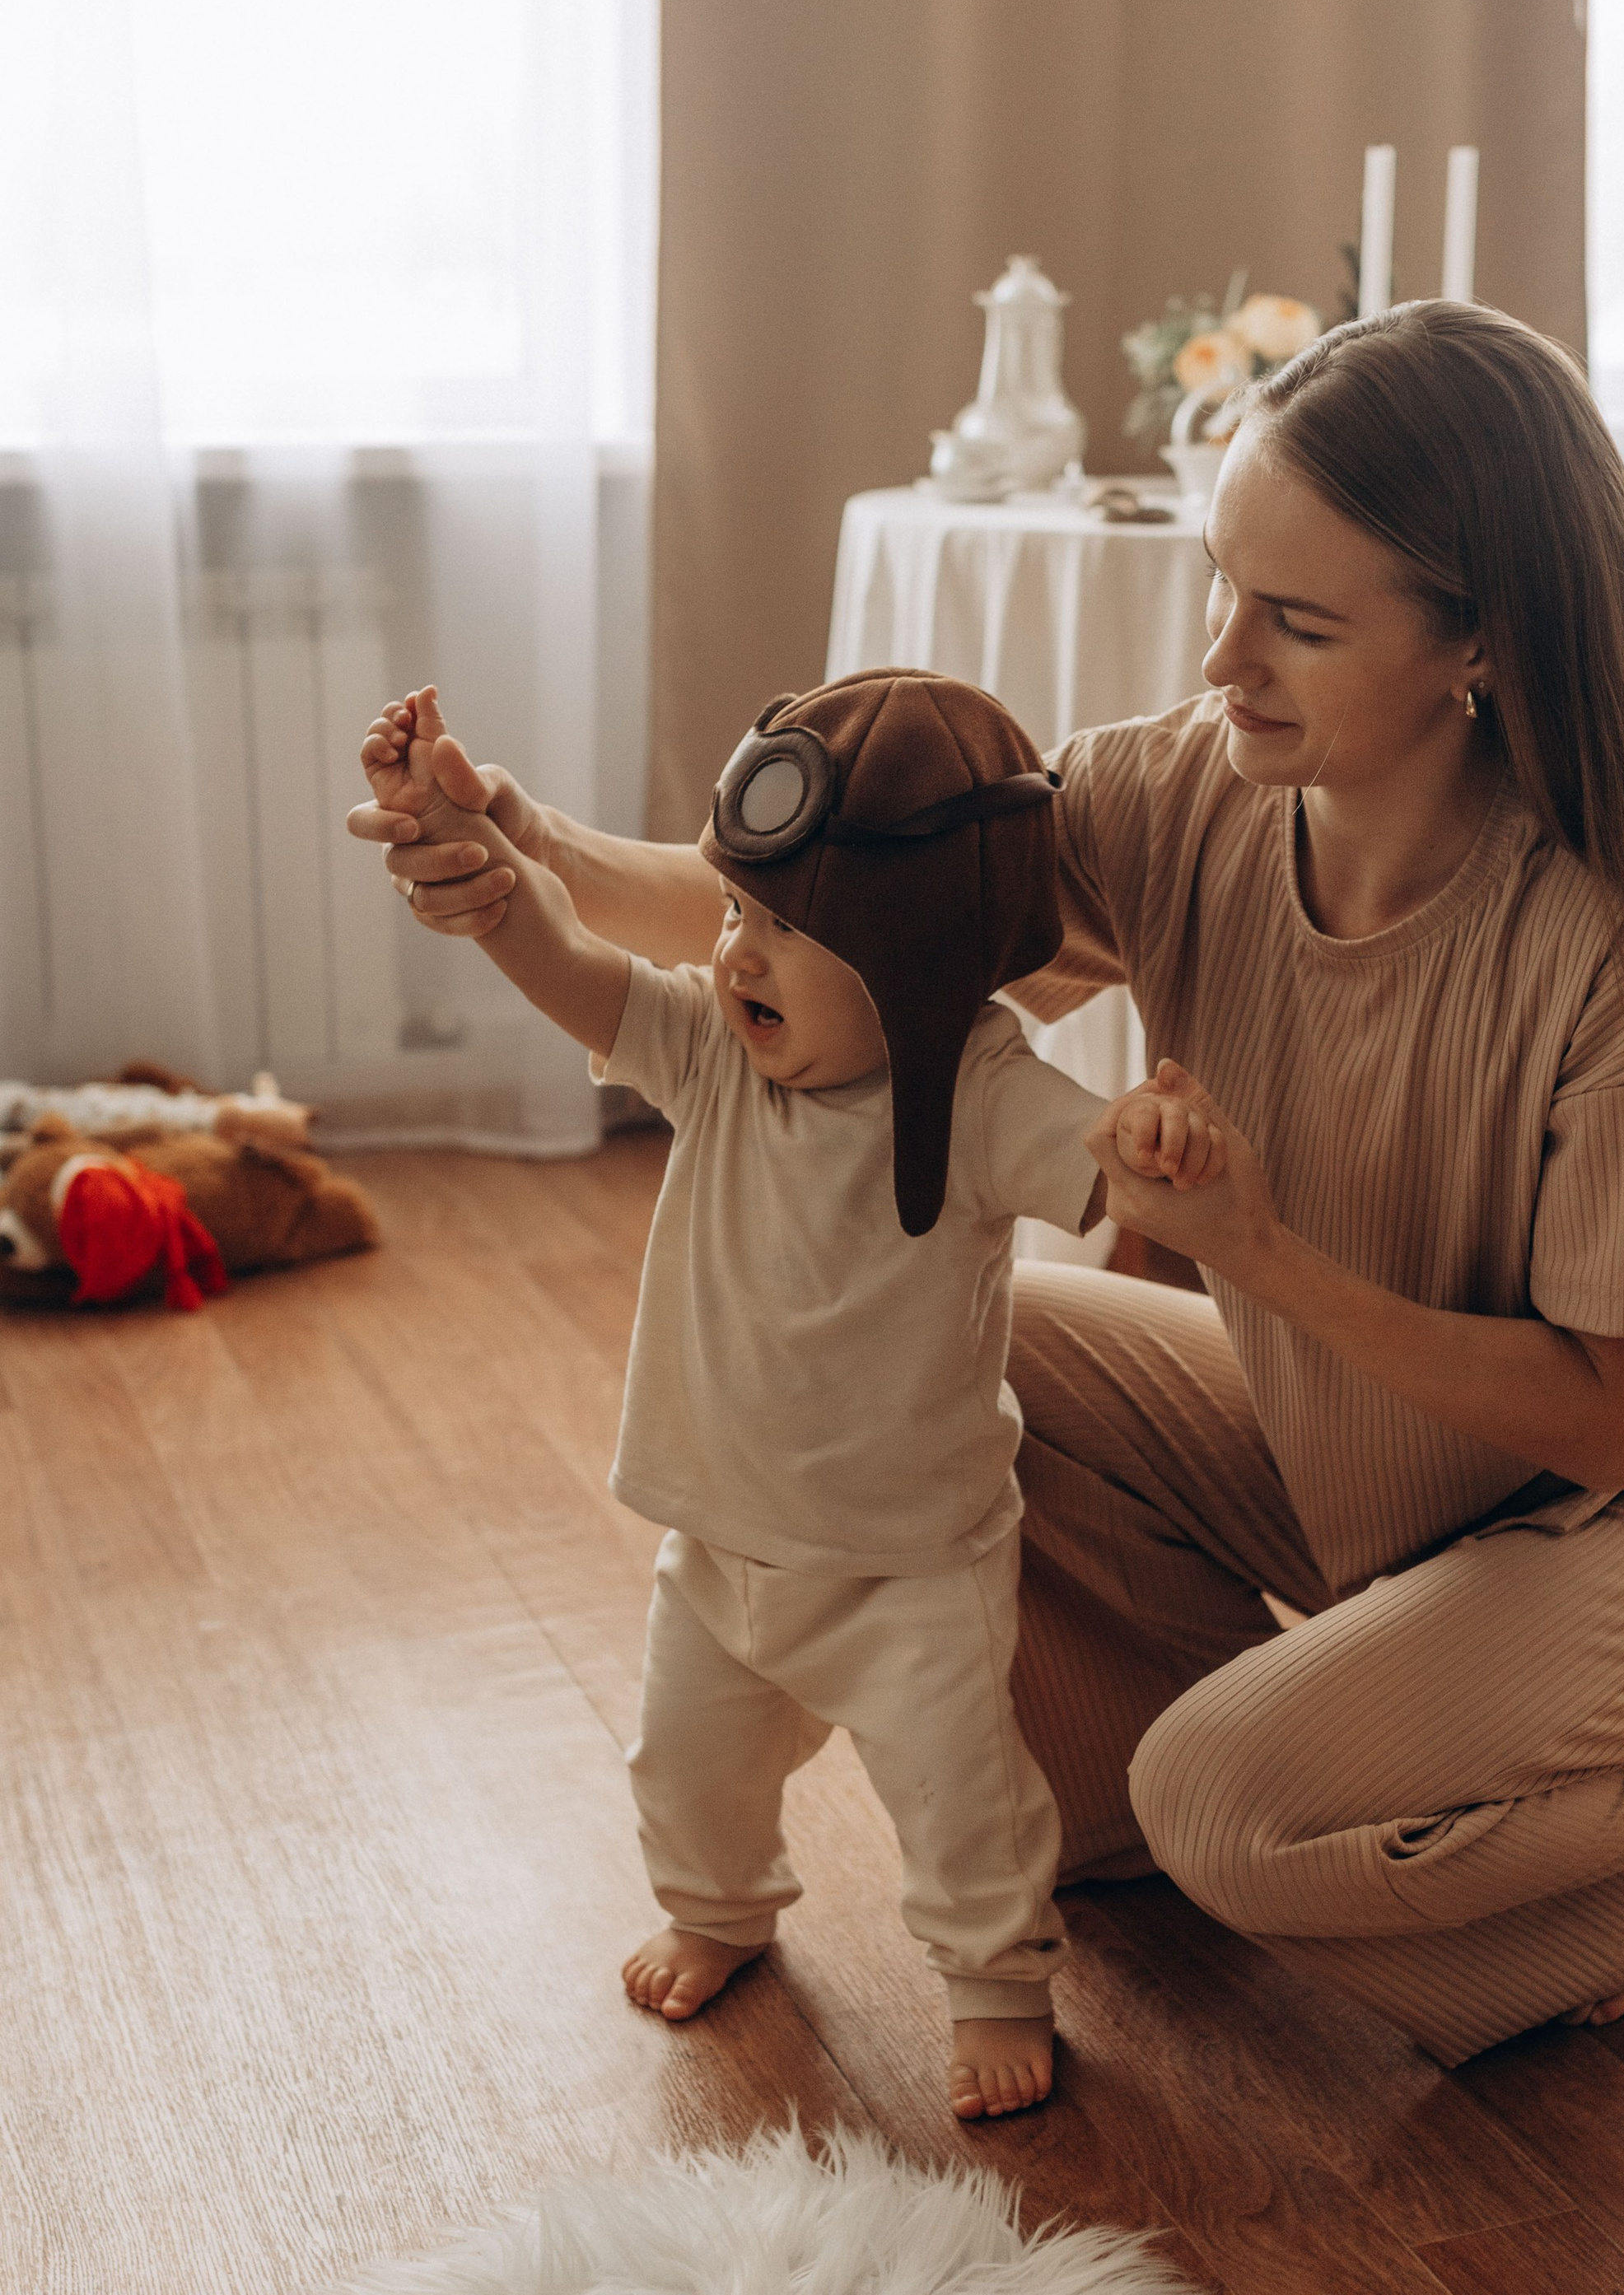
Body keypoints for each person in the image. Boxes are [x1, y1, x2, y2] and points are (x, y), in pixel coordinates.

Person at [352, 302, 1624, 2070]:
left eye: (1295, 623)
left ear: (1481, 647)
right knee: (1006, 1375)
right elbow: (849, 922)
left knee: (1231, 1827)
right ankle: (1312, 1761)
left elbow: (1605, 1421)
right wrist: (520, 842)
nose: (1227, 661)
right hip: (1356, 1472)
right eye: (1227, 591)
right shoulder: (1195, 790)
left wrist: (1259, 1259)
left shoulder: (1610, 934)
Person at [355, 668, 1215, 2118]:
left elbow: (1113, 1161)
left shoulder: (984, 1089)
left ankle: (996, 1981)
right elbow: (569, 963)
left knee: (966, 1802)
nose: (740, 954)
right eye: (741, 911)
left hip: (910, 1565)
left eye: (791, 931)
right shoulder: (715, 1050)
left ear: (922, 958)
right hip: (721, 1542)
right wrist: (491, 871)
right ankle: (721, 1908)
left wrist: (1155, 1134)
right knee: (685, 1765)